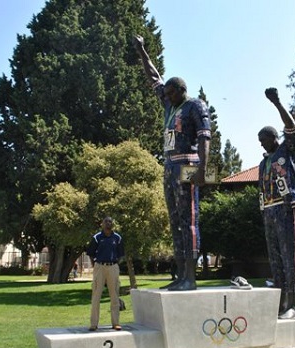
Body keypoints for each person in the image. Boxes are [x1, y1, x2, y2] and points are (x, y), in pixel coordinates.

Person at [133, 34, 211, 291]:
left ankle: (190, 276)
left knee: (189, 220)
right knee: (175, 220)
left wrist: (203, 170)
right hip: (169, 166)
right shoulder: (169, 105)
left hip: (188, 164)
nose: (165, 96)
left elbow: (204, 137)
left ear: (181, 90)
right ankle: (179, 275)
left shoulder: (194, 106)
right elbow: (153, 77)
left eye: (170, 92)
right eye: (165, 93)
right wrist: (142, 51)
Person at [258, 87, 295, 319]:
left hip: (286, 209)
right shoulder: (263, 163)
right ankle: (278, 301)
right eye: (260, 142)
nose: (262, 144)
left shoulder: (288, 149)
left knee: (289, 257)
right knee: (275, 259)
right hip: (269, 211)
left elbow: (292, 129)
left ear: (275, 138)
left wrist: (277, 103)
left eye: (265, 140)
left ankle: (292, 304)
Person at [86, 217, 125, 331]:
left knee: (114, 295)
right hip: (99, 267)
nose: (108, 223)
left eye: (110, 222)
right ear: (102, 224)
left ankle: (115, 323)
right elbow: (91, 253)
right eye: (106, 222)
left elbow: (121, 254)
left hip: (113, 266)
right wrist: (96, 265)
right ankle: (94, 324)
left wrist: (115, 263)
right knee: (96, 296)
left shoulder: (117, 238)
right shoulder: (97, 237)